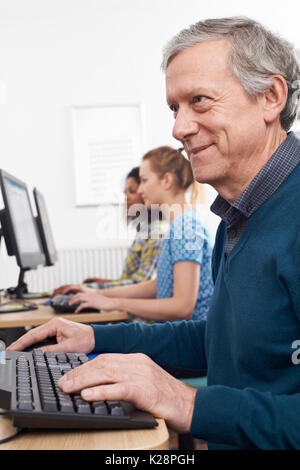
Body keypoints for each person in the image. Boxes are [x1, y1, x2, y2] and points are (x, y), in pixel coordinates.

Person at [8, 16, 300, 449]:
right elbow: (220, 339)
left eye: (200, 100)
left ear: (271, 97)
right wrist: (95, 337)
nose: (178, 128)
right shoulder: (238, 219)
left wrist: (187, 404)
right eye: (174, 109)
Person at [59, 146, 214, 322]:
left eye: (144, 180)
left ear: (167, 181)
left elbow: (182, 307)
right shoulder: (179, 225)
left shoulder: (186, 227)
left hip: (190, 339)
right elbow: (158, 286)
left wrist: (115, 303)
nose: (140, 190)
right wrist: (99, 294)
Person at [53, 166, 163, 293]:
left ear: (146, 193)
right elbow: (132, 280)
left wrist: (86, 289)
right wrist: (104, 282)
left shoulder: (156, 233)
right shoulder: (144, 230)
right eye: (125, 193)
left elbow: (141, 284)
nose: (126, 197)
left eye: (132, 191)